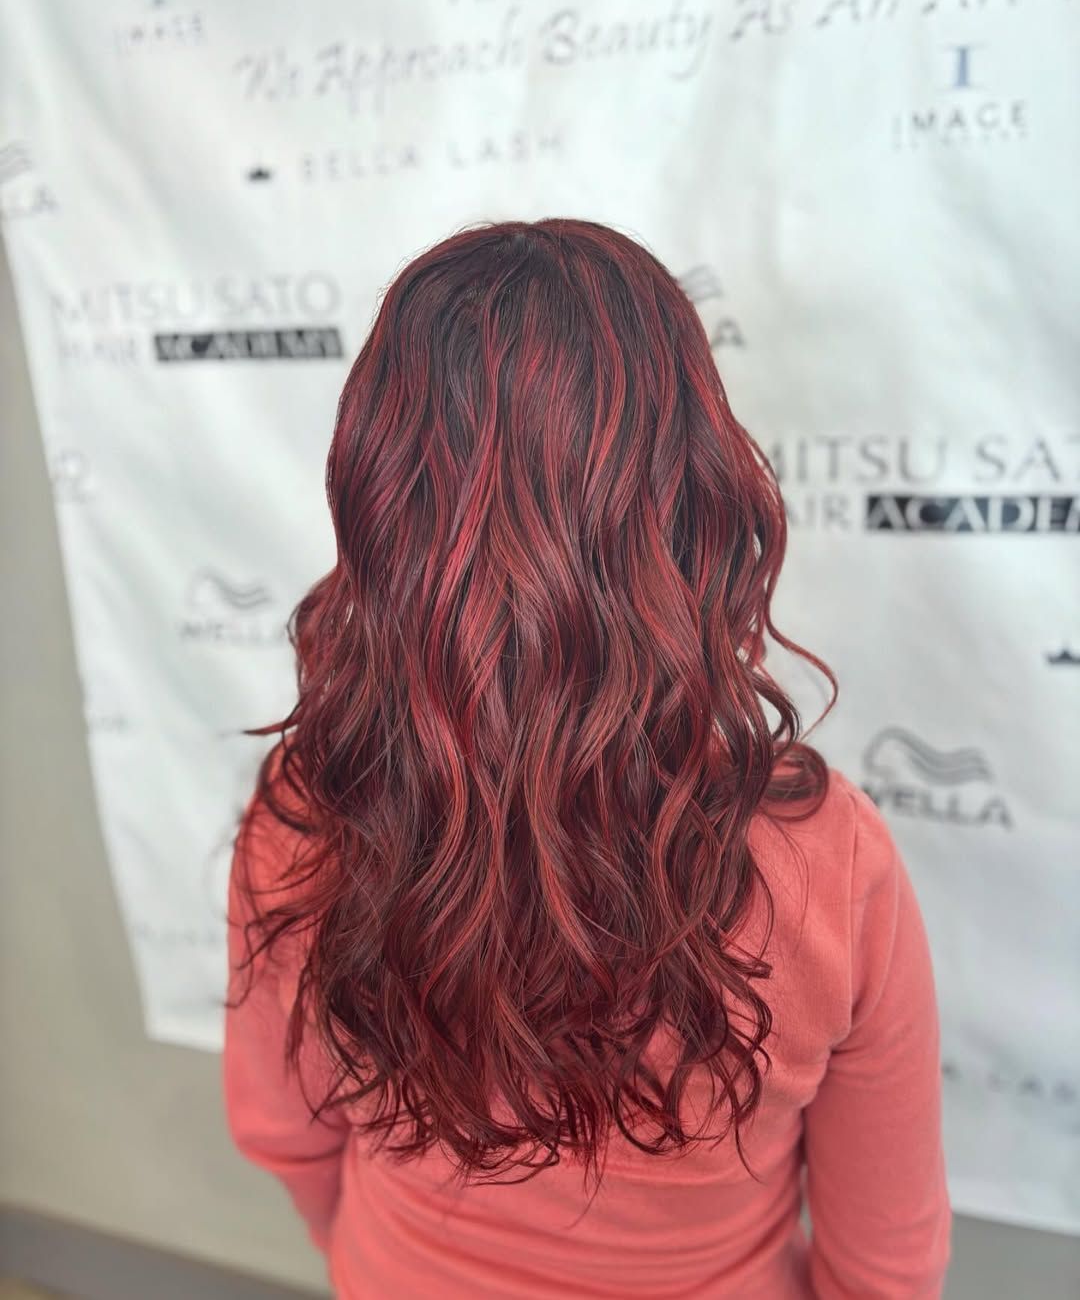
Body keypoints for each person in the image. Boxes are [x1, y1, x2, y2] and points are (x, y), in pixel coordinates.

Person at [223, 219, 952, 1299]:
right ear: (692, 490)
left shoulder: (307, 811)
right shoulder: (827, 857)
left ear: (380, 498)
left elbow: (285, 1137)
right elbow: (884, 1264)